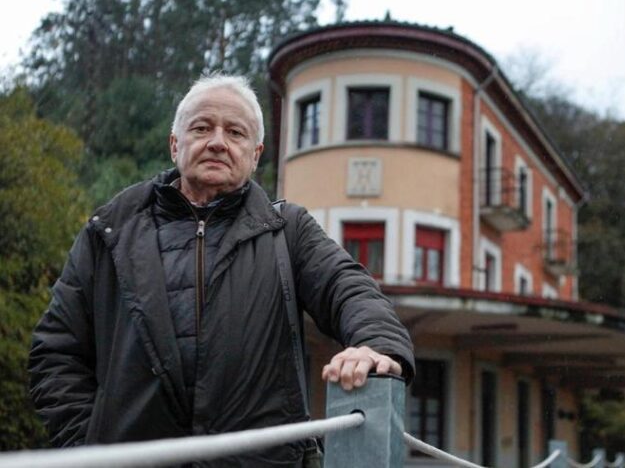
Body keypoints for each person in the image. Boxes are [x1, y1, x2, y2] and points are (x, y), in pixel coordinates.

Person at [28, 74, 414, 466]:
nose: (217, 141)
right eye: (201, 127)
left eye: (235, 132)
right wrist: (88, 446)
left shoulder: (287, 230)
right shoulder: (109, 232)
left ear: (255, 153)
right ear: (175, 144)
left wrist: (376, 344)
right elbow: (56, 351)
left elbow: (347, 287)